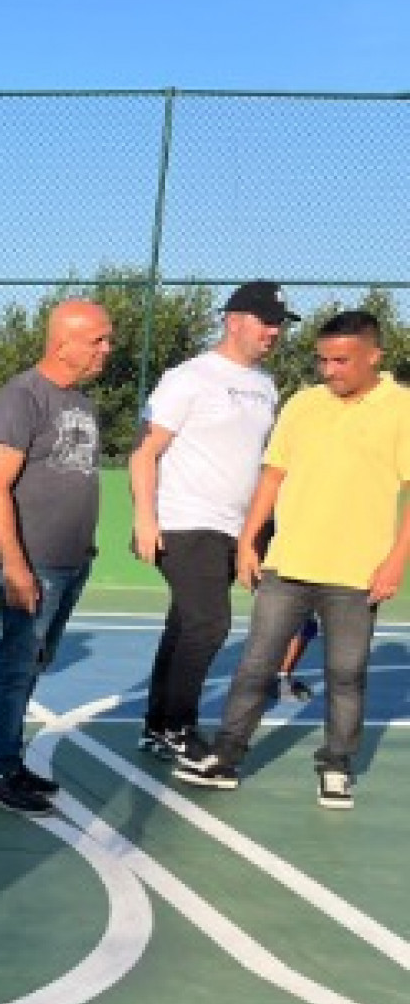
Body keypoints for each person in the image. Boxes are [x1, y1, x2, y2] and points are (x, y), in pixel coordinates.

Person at [175, 311, 410, 809]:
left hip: (356, 575)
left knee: (347, 676)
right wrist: (248, 541)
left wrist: (395, 561)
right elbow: (273, 475)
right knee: (255, 667)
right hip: (287, 566)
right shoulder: (303, 404)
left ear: (374, 356)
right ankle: (226, 757)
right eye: (323, 360)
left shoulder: (402, 409)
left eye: (341, 361)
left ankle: (337, 766)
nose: (330, 370)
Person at [130, 282, 293, 763]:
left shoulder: (267, 387)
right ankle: (180, 728)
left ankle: (157, 726)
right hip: (184, 521)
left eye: (279, 323)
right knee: (208, 624)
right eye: (265, 321)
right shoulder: (189, 378)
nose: (273, 332)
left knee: (185, 624)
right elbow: (145, 452)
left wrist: (258, 532)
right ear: (234, 320)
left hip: (232, 528)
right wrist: (145, 518)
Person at [0, 299, 113, 815]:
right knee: (17, 664)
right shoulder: (21, 398)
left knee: (34, 662)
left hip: (70, 560)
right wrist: (15, 564)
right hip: (30, 562)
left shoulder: (80, 401)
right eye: (97, 339)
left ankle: (9, 759)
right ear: (63, 343)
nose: (107, 349)